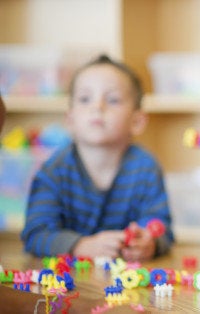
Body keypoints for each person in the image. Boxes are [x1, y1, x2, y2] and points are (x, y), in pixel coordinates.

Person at [21, 55, 175, 262]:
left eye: (112, 100)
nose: (97, 107)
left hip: (126, 284)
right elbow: (35, 234)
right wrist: (81, 246)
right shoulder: (54, 171)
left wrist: (150, 242)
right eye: (85, 99)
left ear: (137, 121)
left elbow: (162, 228)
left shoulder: (146, 168)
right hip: (65, 283)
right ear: (70, 120)